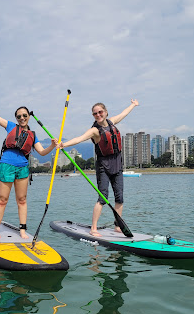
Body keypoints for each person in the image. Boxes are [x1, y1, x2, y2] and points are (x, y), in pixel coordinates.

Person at [0, 103, 57, 239]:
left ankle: (23, 230)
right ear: (16, 118)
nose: (22, 118)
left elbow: (42, 152)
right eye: (19, 116)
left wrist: (53, 146)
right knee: (2, 199)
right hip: (7, 165)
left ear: (29, 116)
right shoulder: (11, 126)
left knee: (22, 200)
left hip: (23, 168)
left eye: (25, 115)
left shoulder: (33, 135)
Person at [57, 99, 139, 237]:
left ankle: (117, 226)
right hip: (103, 166)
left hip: (117, 163)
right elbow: (79, 138)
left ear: (106, 112)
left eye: (100, 112)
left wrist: (133, 105)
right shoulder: (95, 130)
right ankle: (93, 228)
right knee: (102, 197)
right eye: (95, 113)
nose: (98, 115)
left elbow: (124, 113)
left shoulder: (112, 121)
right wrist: (63, 144)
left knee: (119, 197)